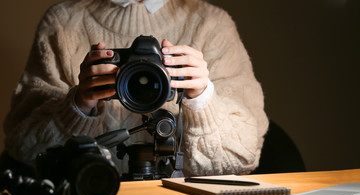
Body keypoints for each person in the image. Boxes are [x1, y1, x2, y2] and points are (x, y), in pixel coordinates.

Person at [3, 0, 268, 177]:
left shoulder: (211, 24)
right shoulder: (62, 24)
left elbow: (242, 156)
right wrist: (79, 105)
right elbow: (25, 150)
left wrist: (201, 98)